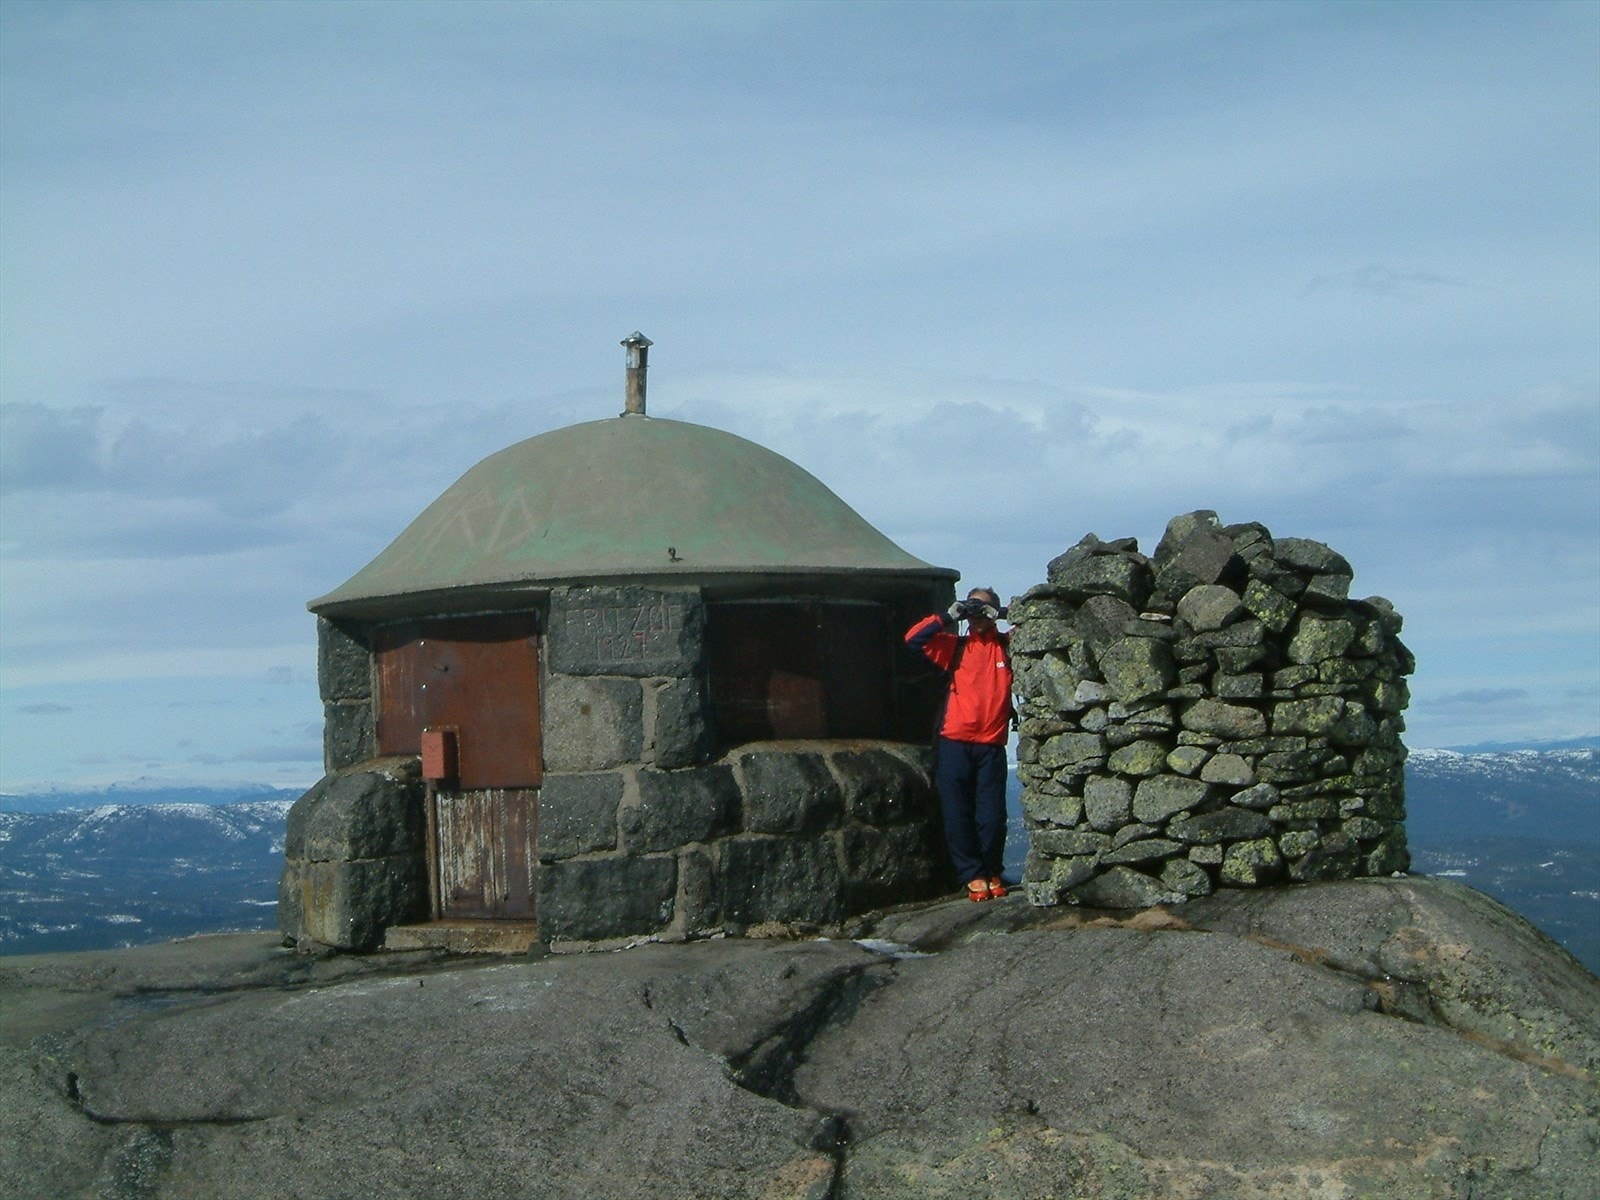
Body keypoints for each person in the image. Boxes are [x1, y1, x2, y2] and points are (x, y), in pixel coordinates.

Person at [905, 587, 1015, 902]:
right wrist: (948, 615)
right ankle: (973, 875)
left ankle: (991, 869)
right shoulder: (954, 647)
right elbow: (913, 639)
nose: (977, 616)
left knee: (992, 814)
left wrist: (1002, 614)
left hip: (991, 745)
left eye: (983, 609)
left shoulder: (1006, 647)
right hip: (954, 742)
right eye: (973, 609)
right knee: (957, 812)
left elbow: (1034, 625)